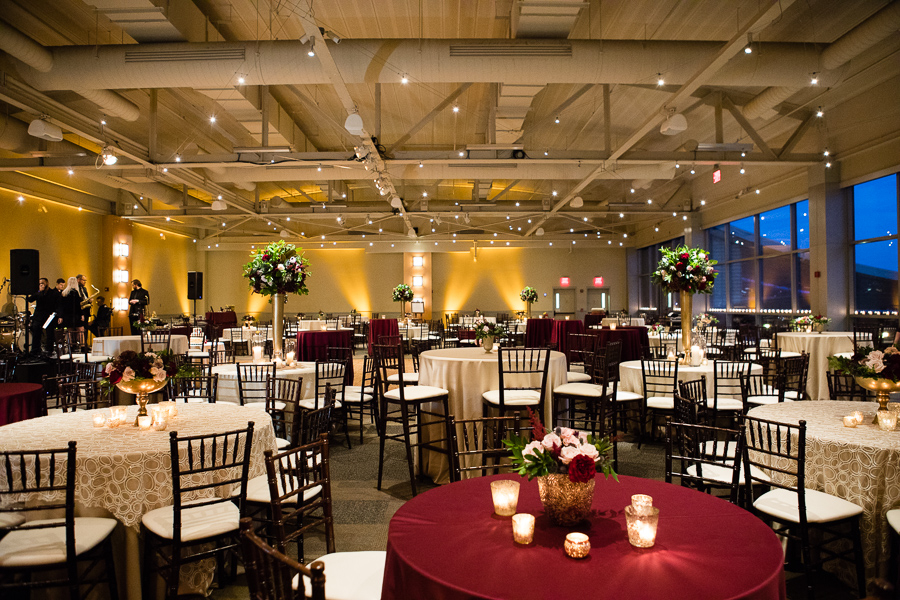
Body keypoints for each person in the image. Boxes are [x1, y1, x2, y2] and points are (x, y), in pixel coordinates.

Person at [26, 278, 58, 355]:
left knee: (49, 334)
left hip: (48, 316)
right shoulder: (38, 293)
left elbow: (56, 304)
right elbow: (30, 299)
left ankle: (49, 350)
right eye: (40, 283)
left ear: (46, 284)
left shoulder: (52, 293)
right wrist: (38, 291)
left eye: (42, 283)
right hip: (38, 316)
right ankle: (35, 350)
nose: (41, 285)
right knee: (36, 333)